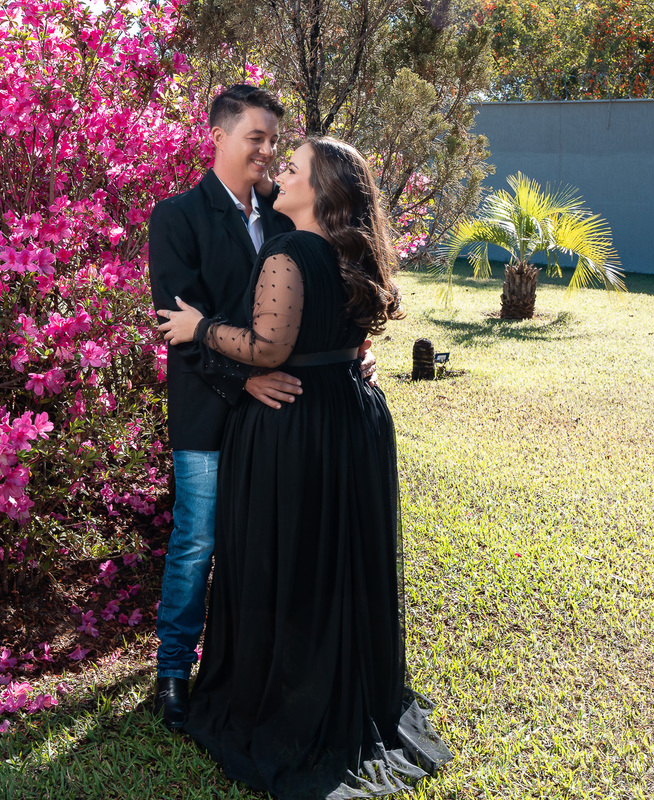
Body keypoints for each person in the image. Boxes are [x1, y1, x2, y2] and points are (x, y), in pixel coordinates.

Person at [157, 138, 453, 799]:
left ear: (319, 191)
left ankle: (287, 701)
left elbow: (269, 346)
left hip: (296, 428)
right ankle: (338, 689)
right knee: (335, 563)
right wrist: (348, 360)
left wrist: (200, 329)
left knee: (284, 559)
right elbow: (349, 332)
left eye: (293, 166)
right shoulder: (355, 253)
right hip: (350, 421)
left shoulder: (289, 253)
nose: (280, 170)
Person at [146, 84, 305, 730]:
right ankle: (173, 672)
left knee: (256, 542)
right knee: (197, 541)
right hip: (208, 412)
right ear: (217, 136)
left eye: (274, 139)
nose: (268, 150)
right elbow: (176, 326)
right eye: (256, 138)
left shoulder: (284, 215)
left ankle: (246, 667)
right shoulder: (176, 217)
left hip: (273, 415)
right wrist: (244, 382)